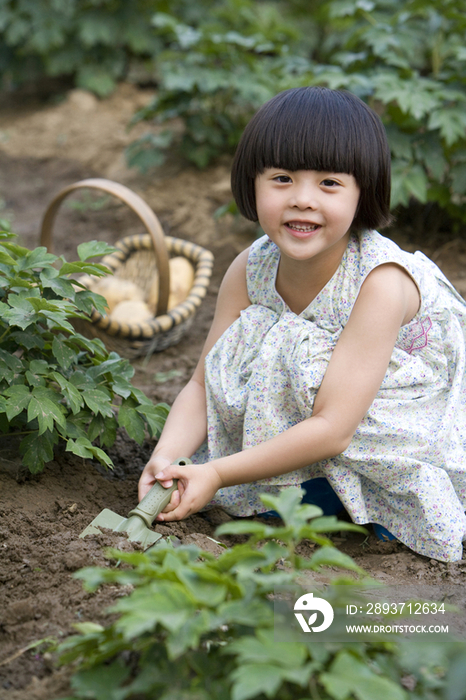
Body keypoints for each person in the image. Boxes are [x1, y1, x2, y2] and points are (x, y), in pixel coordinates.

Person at [138, 86, 466, 562]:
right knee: (261, 355)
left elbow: (335, 429)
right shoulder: (250, 268)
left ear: (363, 193)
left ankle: (356, 498)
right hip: (329, 400)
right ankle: (295, 482)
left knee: (350, 482)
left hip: (398, 409)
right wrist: (166, 459)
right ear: (252, 183)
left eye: (329, 184)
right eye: (282, 178)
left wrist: (219, 473)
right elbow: (202, 383)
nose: (303, 200)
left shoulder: (380, 282)